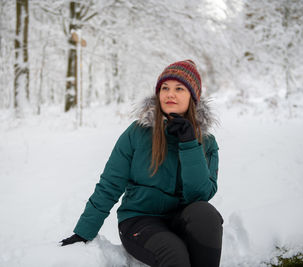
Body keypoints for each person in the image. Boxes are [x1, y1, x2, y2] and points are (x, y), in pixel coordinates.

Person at [60, 60, 223, 267]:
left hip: (181, 219)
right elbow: (110, 184)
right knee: (174, 253)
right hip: (139, 220)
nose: (170, 94)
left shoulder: (206, 142)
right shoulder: (137, 132)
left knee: (206, 214)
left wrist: (189, 143)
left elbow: (200, 195)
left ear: (193, 96)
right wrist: (84, 231)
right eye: (165, 88)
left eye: (179, 88)